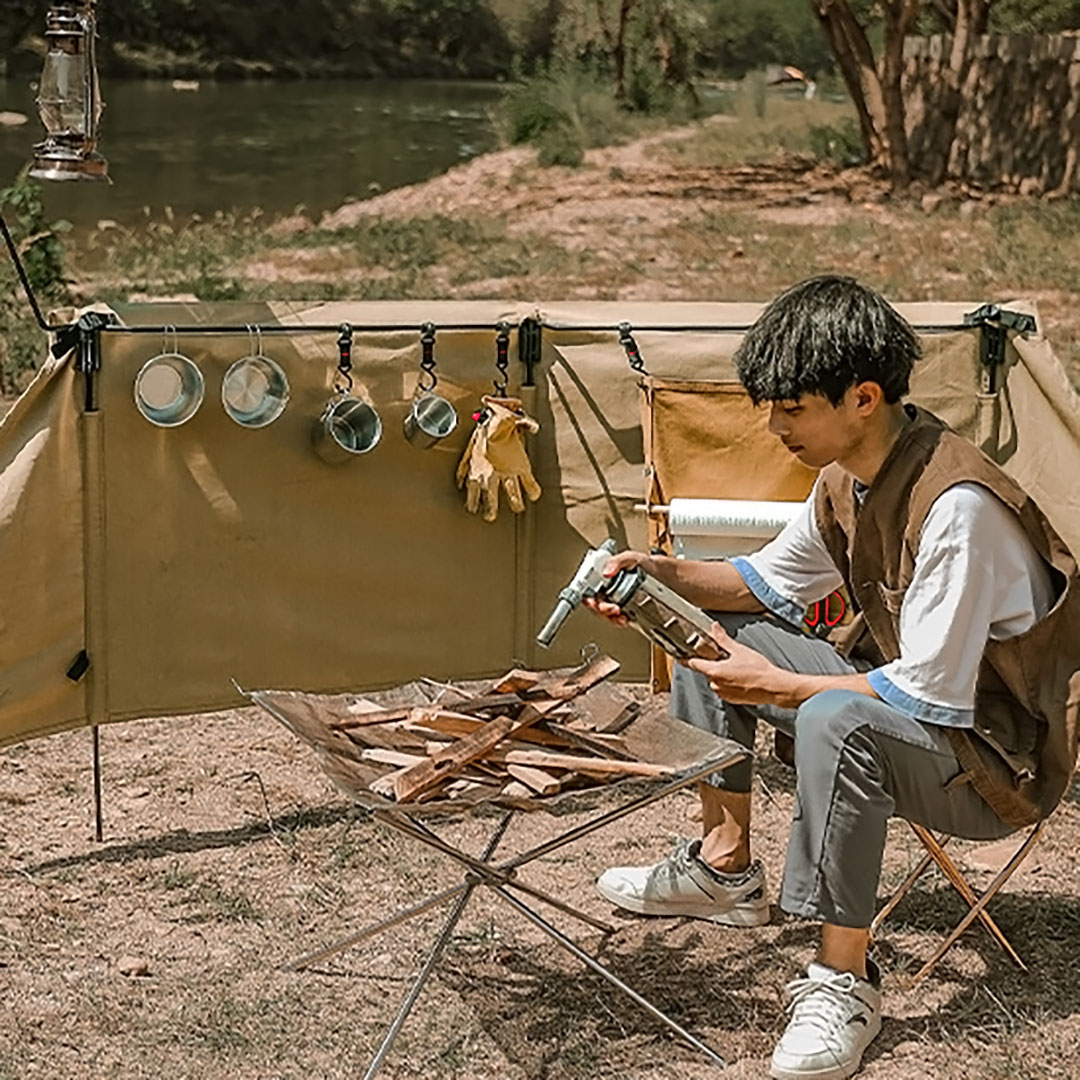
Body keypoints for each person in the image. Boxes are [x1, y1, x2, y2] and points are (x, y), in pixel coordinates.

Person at [585, 275, 1080, 1080]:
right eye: (770, 407)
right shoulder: (847, 477)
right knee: (712, 635)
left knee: (831, 719)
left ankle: (845, 981)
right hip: (923, 713)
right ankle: (724, 867)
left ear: (863, 396)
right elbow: (760, 585)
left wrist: (779, 688)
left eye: (792, 408)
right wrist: (656, 576)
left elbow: (926, 694)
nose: (774, 426)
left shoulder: (956, 507)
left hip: (993, 764)